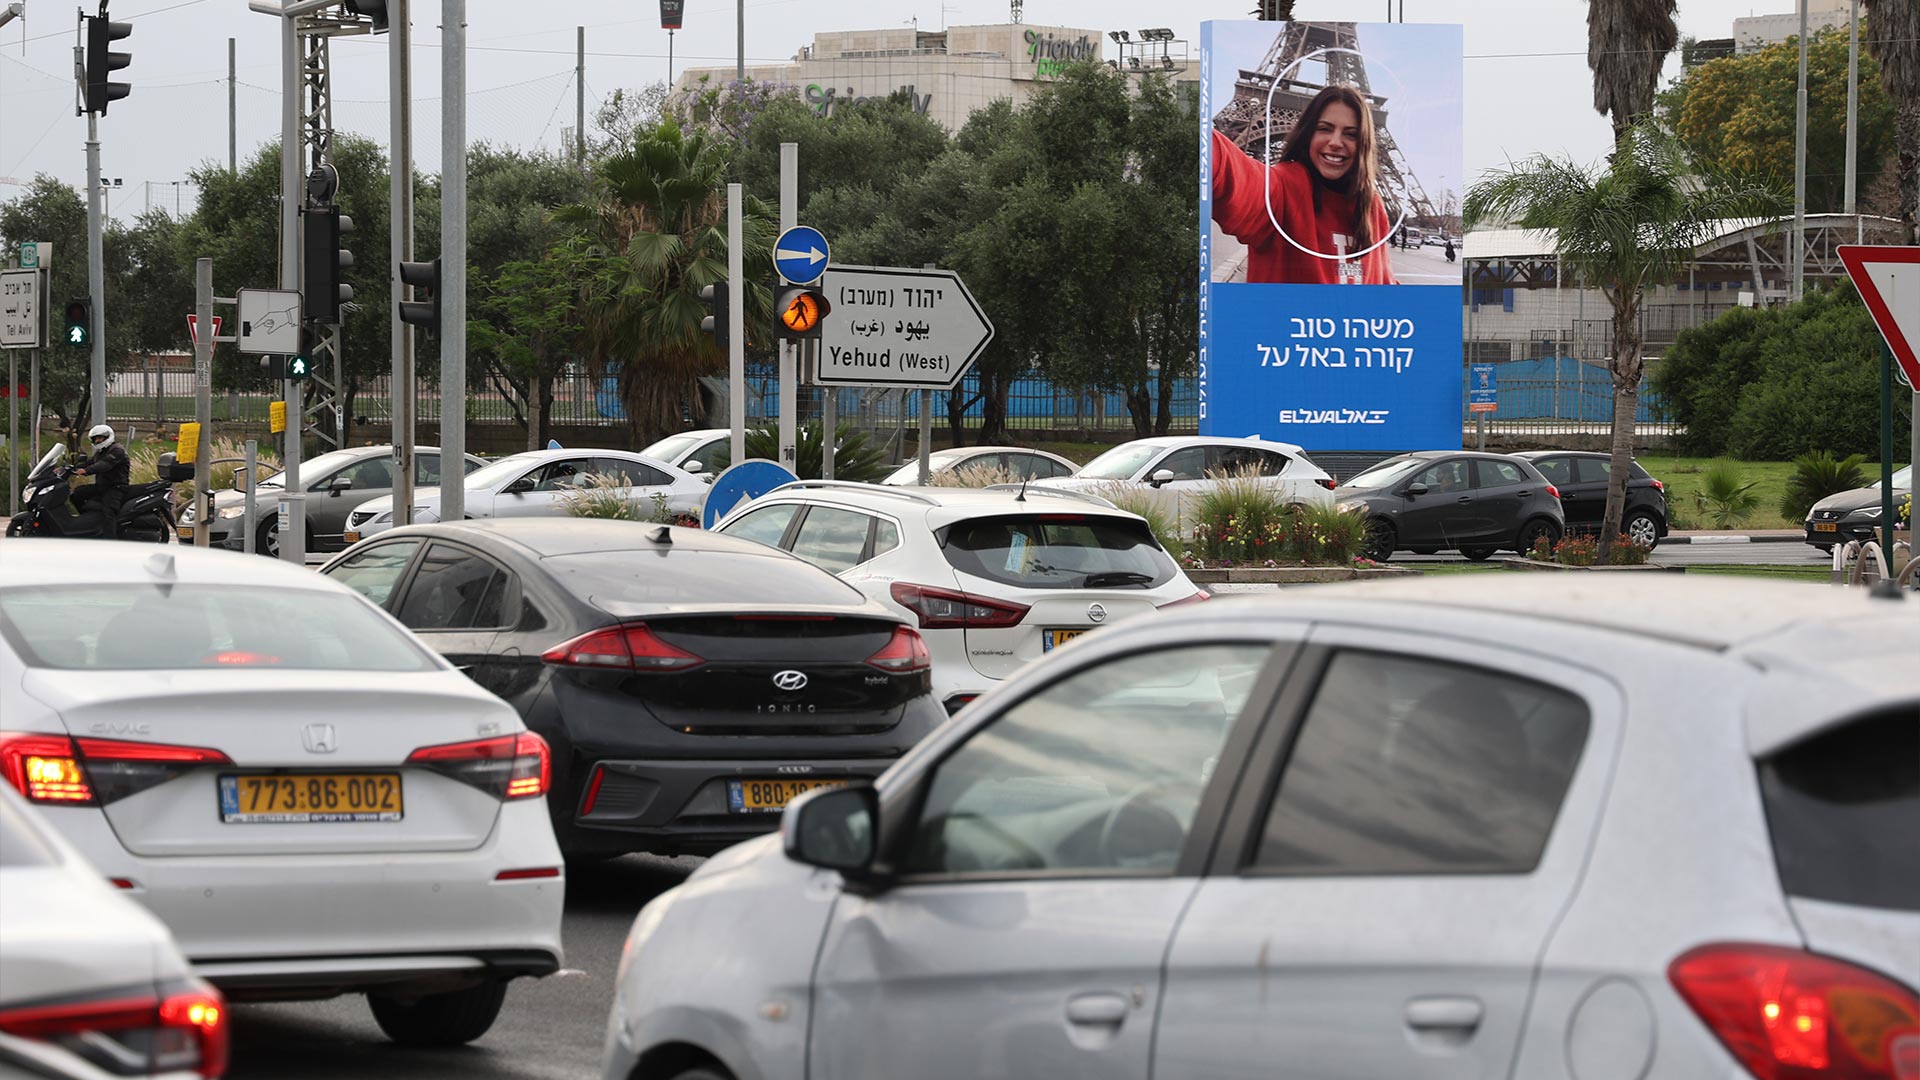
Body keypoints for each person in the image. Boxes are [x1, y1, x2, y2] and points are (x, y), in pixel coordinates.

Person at [1211, 84, 1398, 286]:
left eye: (1351, 134)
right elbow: (1230, 169)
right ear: (1308, 134)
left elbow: (1383, 284)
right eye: (1324, 129)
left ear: (1364, 142)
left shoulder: (1372, 206)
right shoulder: (1281, 190)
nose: (1336, 142)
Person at [71, 423, 131, 538]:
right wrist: (72, 467)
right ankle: (90, 521)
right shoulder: (101, 451)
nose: (98, 440)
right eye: (96, 438)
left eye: (100, 438)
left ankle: (110, 541)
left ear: (108, 437)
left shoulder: (117, 450)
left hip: (116, 487)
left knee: (109, 512)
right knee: (76, 494)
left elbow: (104, 465)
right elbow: (91, 462)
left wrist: (86, 471)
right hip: (102, 486)